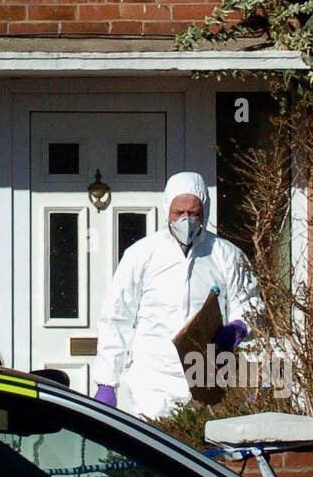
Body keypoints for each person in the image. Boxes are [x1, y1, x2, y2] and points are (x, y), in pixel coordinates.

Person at [93, 171, 263, 420]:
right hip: (153, 380)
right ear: (167, 211)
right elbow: (116, 318)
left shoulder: (226, 255)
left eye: (193, 213)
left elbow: (250, 302)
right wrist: (107, 382)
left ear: (204, 211)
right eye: (179, 213)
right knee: (155, 453)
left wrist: (238, 326)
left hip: (208, 378)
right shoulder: (142, 255)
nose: (186, 220)